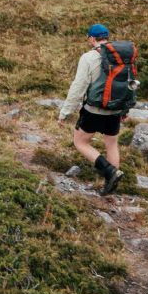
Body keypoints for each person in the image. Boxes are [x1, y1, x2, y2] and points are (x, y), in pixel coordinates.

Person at [59, 23, 125, 194]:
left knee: (80, 142)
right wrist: (125, 109)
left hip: (94, 109)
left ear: (92, 38)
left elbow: (79, 86)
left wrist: (65, 112)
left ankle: (110, 171)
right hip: (115, 109)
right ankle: (111, 185)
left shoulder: (88, 57)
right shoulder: (120, 56)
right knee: (111, 144)